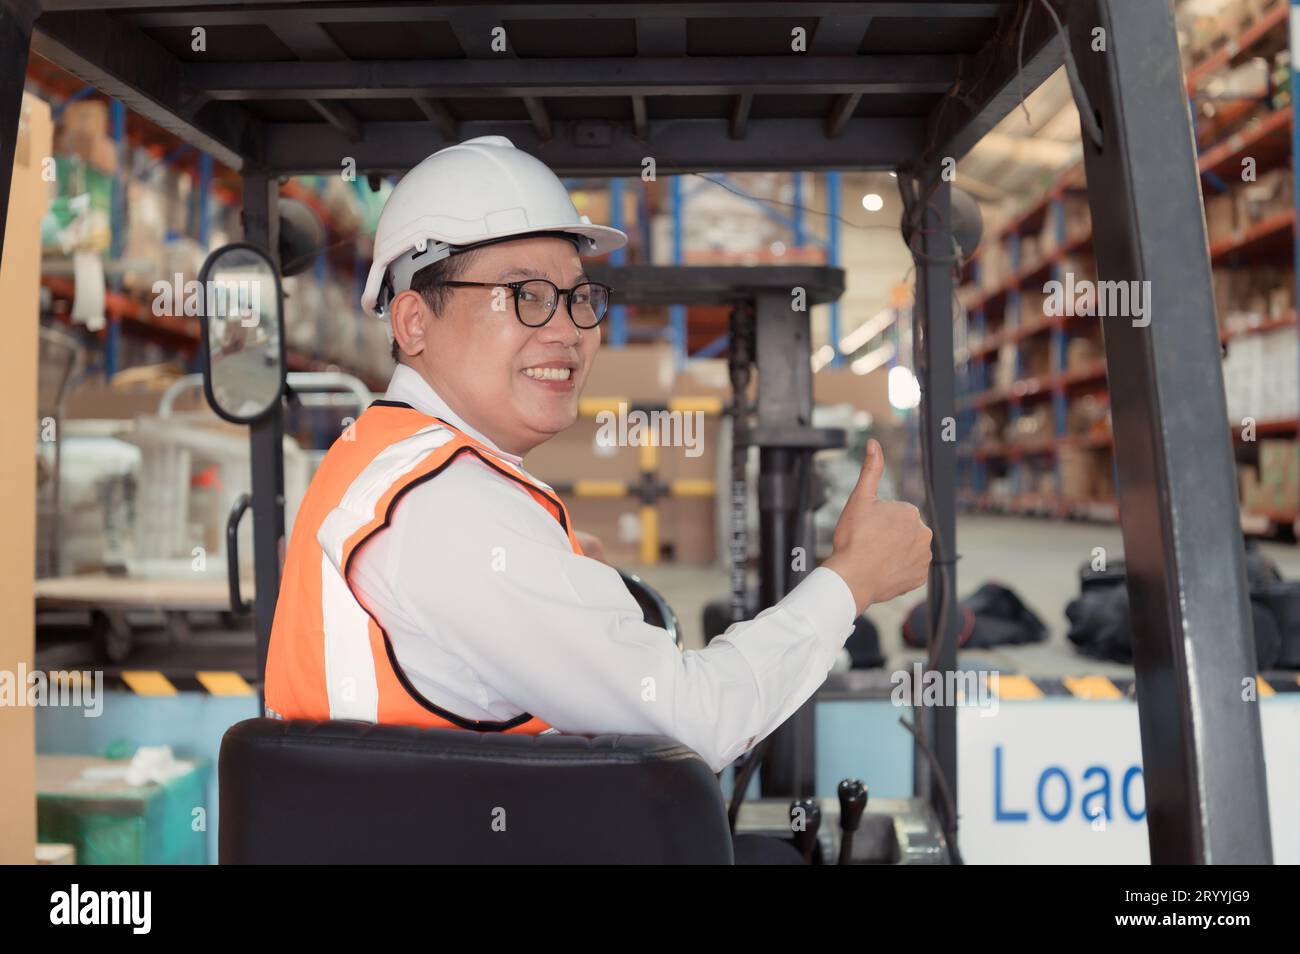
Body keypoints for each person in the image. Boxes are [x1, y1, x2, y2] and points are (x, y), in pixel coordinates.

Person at [264, 135, 932, 775]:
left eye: (578, 298)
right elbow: (693, 721)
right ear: (413, 322)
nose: (567, 331)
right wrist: (853, 579)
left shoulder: (389, 464)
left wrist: (548, 575)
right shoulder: (440, 502)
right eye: (524, 296)